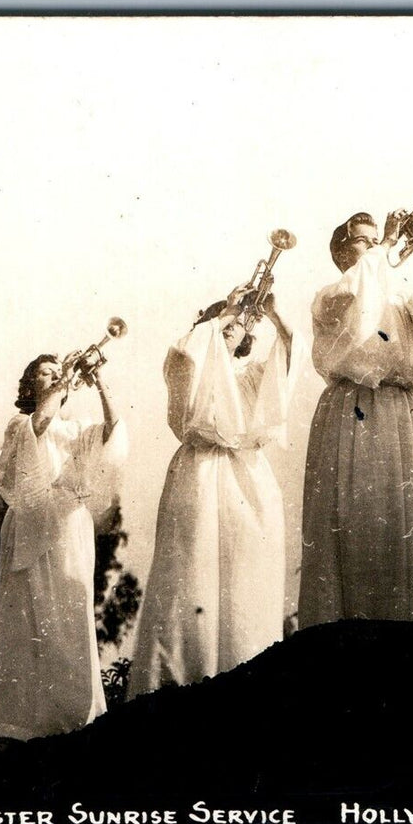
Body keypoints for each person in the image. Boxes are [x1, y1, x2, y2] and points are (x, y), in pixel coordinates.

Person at [129, 288, 305, 696]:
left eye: (241, 324)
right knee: (190, 574)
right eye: (225, 322)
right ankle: (180, 680)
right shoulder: (189, 360)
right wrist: (225, 312)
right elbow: (185, 355)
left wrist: (275, 316)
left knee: (246, 579)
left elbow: (290, 361)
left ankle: (242, 678)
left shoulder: (249, 378)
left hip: (248, 481)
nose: (233, 327)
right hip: (199, 473)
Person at [297, 210, 413, 627]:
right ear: (340, 253)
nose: (373, 246)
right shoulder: (331, 292)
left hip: (397, 410)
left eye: (375, 240)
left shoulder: (397, 296)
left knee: (397, 523)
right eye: (363, 241)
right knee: (352, 517)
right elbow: (356, 299)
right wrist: (388, 243)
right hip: (352, 406)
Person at [0, 355, 127, 742]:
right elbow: (38, 426)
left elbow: (112, 432)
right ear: (29, 384)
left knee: (69, 613)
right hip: (30, 521)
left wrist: (99, 379)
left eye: (58, 371)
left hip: (70, 523)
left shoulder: (77, 427)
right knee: (26, 615)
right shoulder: (19, 423)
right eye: (45, 371)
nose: (55, 375)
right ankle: (18, 723)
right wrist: (62, 385)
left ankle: (71, 716)